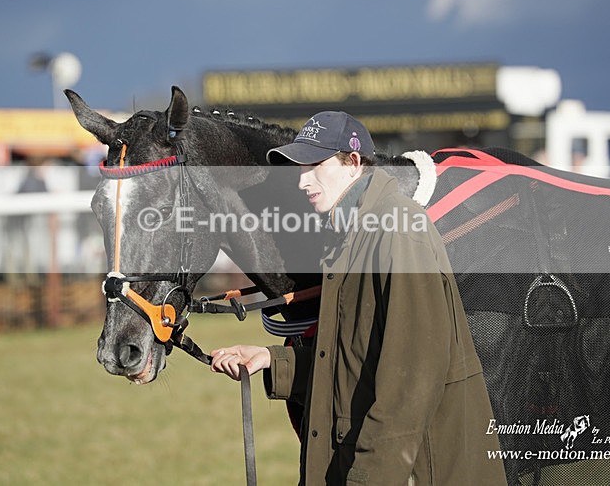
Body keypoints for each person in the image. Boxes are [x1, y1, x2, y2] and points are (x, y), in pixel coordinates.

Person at [211, 112, 506, 485]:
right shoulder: (349, 236)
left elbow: (412, 380)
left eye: (315, 165)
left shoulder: (397, 231)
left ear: (352, 163)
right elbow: (353, 360)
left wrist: (368, 479)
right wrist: (272, 360)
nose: (302, 181)